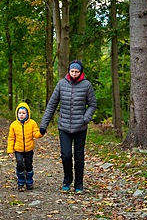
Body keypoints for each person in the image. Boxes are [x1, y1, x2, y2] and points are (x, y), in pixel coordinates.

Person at [39, 59, 97, 194]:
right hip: (64, 126)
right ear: (69, 71)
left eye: (77, 71)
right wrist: (43, 125)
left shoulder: (87, 85)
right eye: (72, 71)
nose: (74, 74)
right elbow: (51, 105)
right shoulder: (61, 84)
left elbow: (92, 104)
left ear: (81, 72)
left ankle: (79, 184)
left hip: (80, 127)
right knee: (65, 155)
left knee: (79, 157)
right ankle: (67, 180)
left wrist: (85, 118)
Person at [7, 102, 44, 192]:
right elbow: (11, 138)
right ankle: (20, 182)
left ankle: (29, 182)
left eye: (23, 113)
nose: (21, 115)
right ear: (17, 114)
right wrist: (10, 151)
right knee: (20, 164)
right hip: (18, 149)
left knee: (28, 165)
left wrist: (41, 132)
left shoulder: (32, 123)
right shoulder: (14, 125)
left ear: (27, 114)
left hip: (29, 149)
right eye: (20, 113)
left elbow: (36, 134)